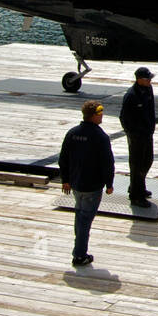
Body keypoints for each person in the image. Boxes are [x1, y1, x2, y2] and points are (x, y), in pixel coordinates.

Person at [59, 99, 115, 266]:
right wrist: (109, 183)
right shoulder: (100, 137)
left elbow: (63, 159)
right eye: (100, 114)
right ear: (93, 116)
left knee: (79, 216)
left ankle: (79, 249)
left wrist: (66, 180)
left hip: (76, 184)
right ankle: (79, 255)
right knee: (85, 220)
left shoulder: (72, 133)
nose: (102, 116)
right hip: (92, 186)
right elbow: (107, 163)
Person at [119, 67, 155, 204]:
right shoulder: (131, 95)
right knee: (137, 165)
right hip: (136, 136)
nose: (150, 81)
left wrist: (152, 127)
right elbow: (123, 117)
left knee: (148, 160)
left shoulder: (148, 89)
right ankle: (136, 195)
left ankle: (138, 186)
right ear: (139, 80)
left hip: (147, 133)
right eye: (148, 79)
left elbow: (151, 110)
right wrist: (132, 134)